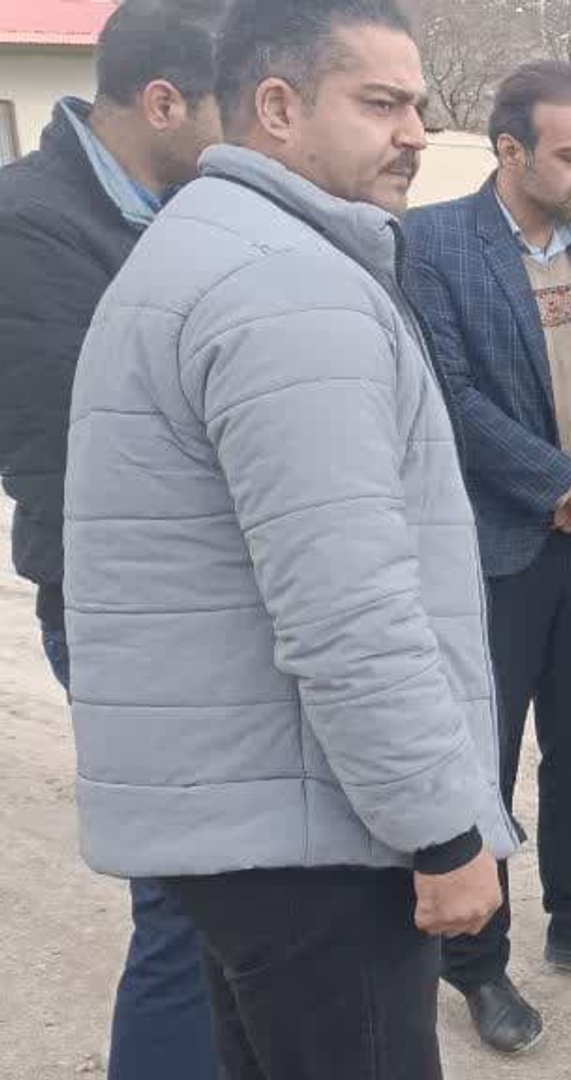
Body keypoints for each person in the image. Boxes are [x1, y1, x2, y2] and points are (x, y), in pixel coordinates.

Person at [64, 1, 517, 1075]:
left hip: (259, 823)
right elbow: (346, 605)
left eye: (417, 105)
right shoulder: (286, 287)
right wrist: (444, 830)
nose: (415, 133)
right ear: (276, 105)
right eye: (381, 103)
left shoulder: (211, 247)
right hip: (317, 836)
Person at [403, 59, 571, 1054]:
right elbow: (450, 397)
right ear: (510, 151)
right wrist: (563, 485)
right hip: (498, 548)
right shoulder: (432, 244)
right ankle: (476, 964)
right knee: (487, 758)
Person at [0, 4, 226, 1076]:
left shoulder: (180, 209)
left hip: (198, 609)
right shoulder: (29, 226)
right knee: (184, 903)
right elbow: (64, 458)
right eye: (233, 108)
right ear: (165, 103)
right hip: (122, 615)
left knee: (230, 902)